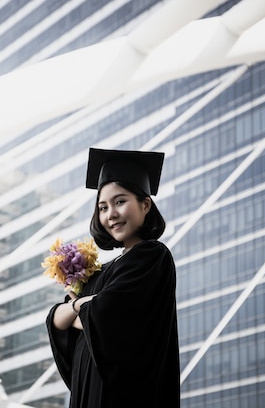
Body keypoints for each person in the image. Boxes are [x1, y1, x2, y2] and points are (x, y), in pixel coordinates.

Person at [46, 148, 180, 407]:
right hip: (87, 391)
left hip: (121, 397)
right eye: (103, 207)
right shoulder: (100, 272)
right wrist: (79, 306)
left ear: (145, 204)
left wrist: (81, 310)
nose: (111, 215)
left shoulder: (152, 256)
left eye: (120, 202)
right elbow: (56, 320)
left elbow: (108, 317)